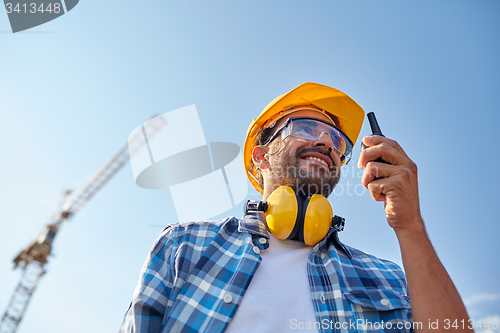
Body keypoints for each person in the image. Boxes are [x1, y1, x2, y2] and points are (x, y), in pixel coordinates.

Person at [119, 83, 472, 332]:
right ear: (261, 155)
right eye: (305, 127)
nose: (325, 142)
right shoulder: (184, 245)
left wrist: (409, 225)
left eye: (337, 141)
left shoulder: (389, 279)